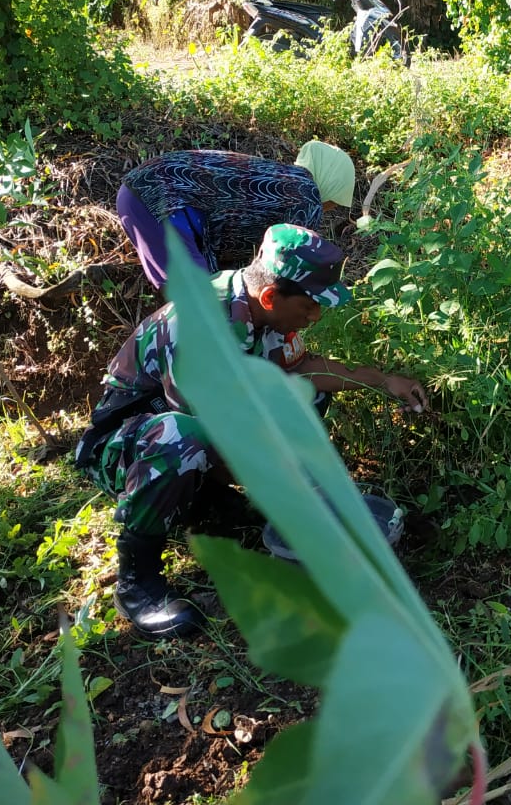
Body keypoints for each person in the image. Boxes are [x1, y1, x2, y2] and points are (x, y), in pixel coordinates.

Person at [74, 224, 429, 639]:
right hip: (128, 445)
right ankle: (136, 581)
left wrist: (383, 380)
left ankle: (205, 502)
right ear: (271, 297)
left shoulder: (265, 308)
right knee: (181, 439)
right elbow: (214, 433)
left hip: (203, 428)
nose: (316, 316)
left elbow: (303, 368)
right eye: (310, 306)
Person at [116, 140, 356, 290]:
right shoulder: (308, 197)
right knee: (199, 303)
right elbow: (286, 274)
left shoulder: (280, 177)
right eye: (332, 204)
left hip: (142, 191)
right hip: (163, 203)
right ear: (330, 186)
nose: (327, 211)